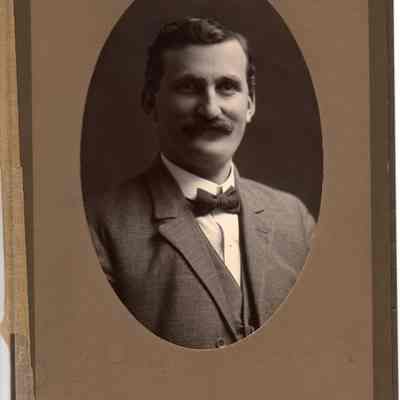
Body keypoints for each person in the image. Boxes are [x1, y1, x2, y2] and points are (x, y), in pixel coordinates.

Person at [86, 17, 315, 349]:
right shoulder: (101, 228)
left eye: (227, 87)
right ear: (150, 102)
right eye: (189, 87)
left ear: (250, 104)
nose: (210, 109)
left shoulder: (296, 219)